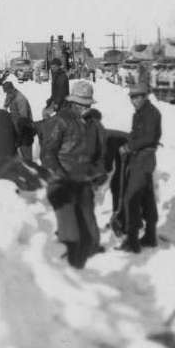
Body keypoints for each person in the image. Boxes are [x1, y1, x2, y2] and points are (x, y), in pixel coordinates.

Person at [40, 81, 106, 269]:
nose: (85, 107)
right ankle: (67, 269)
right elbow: (47, 154)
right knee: (70, 231)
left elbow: (99, 154)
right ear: (73, 103)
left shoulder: (93, 125)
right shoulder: (60, 121)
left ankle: (87, 264)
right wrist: (61, 176)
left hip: (83, 183)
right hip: (62, 183)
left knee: (87, 226)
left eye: (87, 104)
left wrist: (97, 173)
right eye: (81, 104)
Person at [115, 82, 162, 252]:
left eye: (137, 97)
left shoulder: (151, 114)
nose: (133, 101)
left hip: (144, 159)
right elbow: (136, 134)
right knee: (147, 198)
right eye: (132, 97)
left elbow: (148, 137)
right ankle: (150, 236)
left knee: (131, 198)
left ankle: (132, 241)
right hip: (140, 159)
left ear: (145, 96)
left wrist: (128, 147)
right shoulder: (140, 113)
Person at [2, 81, 35, 162]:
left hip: (25, 127)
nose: (7, 94)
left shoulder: (20, 99)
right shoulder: (10, 96)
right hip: (16, 124)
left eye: (8, 91)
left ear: (12, 89)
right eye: (6, 92)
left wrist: (19, 132)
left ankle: (29, 164)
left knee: (25, 147)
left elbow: (24, 118)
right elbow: (5, 106)